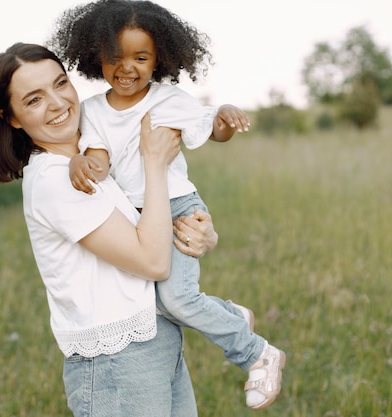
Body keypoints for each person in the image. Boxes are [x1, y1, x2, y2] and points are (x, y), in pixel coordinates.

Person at [49, 0, 286, 411]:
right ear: (95, 57)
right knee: (152, 302)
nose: (127, 68)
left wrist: (224, 119)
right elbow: (100, 162)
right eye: (115, 57)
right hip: (135, 217)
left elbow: (210, 129)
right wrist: (80, 160)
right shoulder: (92, 111)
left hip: (175, 207)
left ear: (159, 60)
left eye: (141, 57)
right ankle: (229, 314)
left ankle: (257, 353)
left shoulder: (168, 99)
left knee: (175, 300)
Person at [0, 42, 220, 417]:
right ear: (13, 118)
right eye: (34, 100)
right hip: (116, 362)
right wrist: (153, 162)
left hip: (157, 341)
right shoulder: (56, 179)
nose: (57, 103)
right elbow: (153, 261)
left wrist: (203, 235)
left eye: (60, 84)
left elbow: (150, 228)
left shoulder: (90, 160)